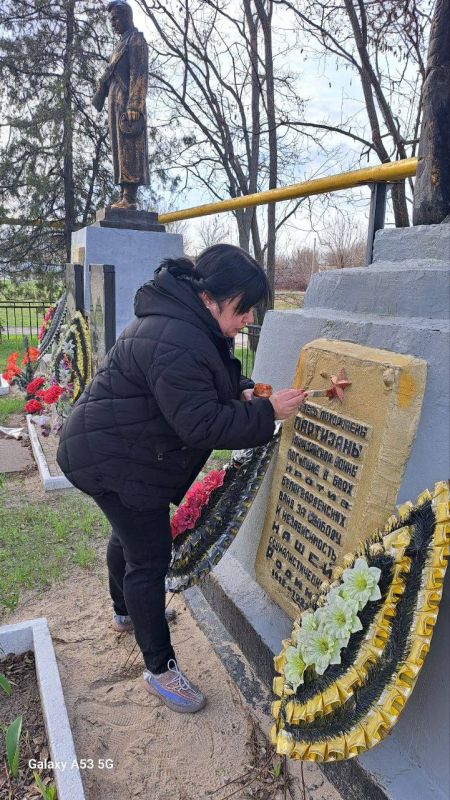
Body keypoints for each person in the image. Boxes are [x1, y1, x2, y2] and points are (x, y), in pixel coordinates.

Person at [57, 244, 307, 713]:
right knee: (149, 558)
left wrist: (241, 389)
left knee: (129, 539)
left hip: (111, 450)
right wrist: (266, 412)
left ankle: (125, 613)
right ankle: (159, 669)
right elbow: (202, 423)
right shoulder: (177, 335)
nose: (246, 318)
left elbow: (202, 381)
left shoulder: (182, 321)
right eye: (243, 307)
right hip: (115, 460)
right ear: (214, 297)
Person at [92, 0, 150, 209]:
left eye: (116, 18)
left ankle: (130, 197)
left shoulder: (136, 40)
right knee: (119, 149)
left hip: (128, 104)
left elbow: (139, 74)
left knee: (129, 148)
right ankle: (123, 194)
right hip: (115, 103)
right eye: (111, 19)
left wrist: (135, 105)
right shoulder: (120, 44)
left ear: (127, 16)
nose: (113, 23)